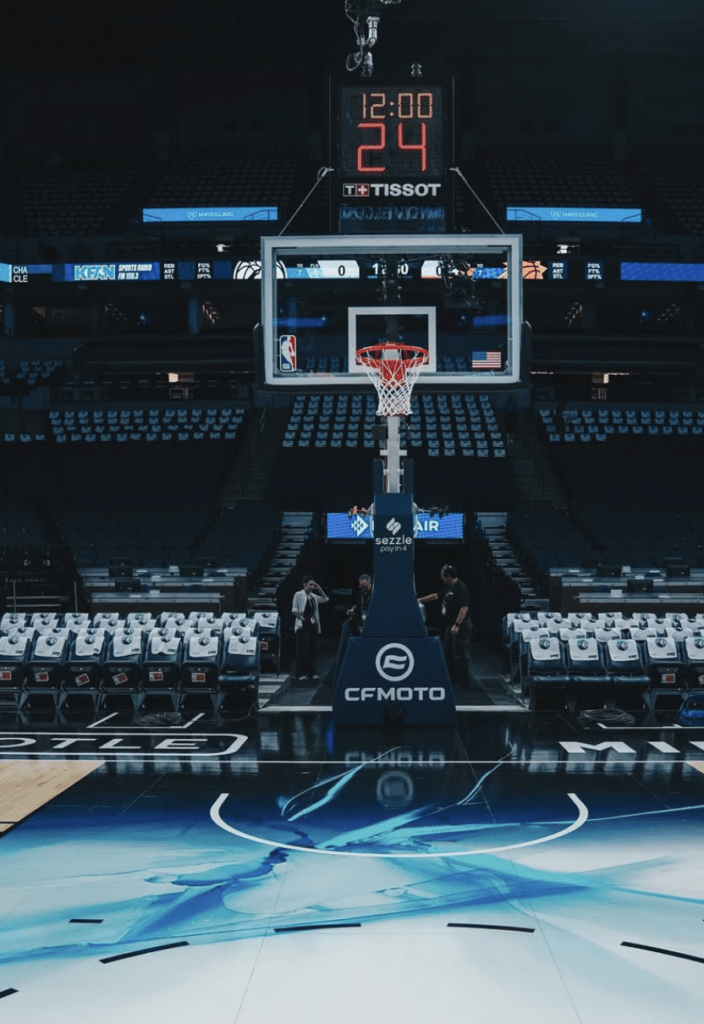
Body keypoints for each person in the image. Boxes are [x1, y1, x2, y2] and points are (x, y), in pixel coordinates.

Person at [417, 564, 472, 688]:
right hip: (450, 625)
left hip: (459, 626)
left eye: (443, 576)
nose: (441, 579)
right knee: (448, 652)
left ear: (448, 576)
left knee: (460, 654)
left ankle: (464, 683)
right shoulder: (449, 588)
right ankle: (451, 679)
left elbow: (464, 608)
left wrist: (457, 624)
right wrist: (419, 600)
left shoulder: (461, 588)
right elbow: (436, 596)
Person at [331, 573, 373, 685]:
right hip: (362, 625)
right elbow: (358, 606)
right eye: (361, 587)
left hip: (374, 626)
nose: (363, 589)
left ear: (370, 583)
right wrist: (352, 610)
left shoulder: (377, 594)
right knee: (346, 626)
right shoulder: (361, 594)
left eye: (365, 586)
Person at [291, 575, 329, 680]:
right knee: (303, 649)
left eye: (313, 585)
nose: (312, 587)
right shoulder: (298, 594)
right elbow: (294, 610)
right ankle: (301, 673)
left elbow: (326, 599)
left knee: (313, 648)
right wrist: (302, 619)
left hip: (313, 625)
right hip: (303, 624)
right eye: (310, 585)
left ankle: (312, 672)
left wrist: (320, 589)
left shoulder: (313, 596)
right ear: (304, 585)